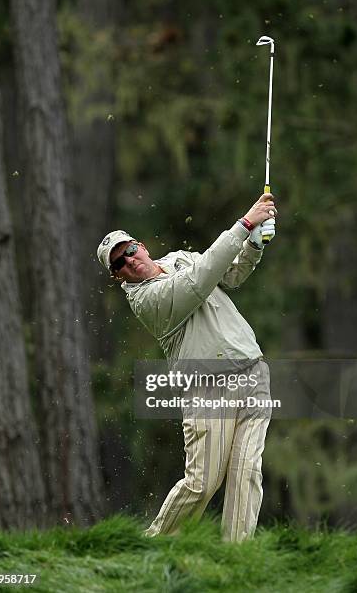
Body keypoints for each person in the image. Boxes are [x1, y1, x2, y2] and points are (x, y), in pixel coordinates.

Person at [97, 193, 277, 542]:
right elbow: (200, 279)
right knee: (202, 482)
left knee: (246, 472)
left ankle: (236, 558)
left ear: (142, 247)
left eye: (129, 251)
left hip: (253, 373)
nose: (129, 262)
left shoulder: (180, 258)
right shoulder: (145, 300)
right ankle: (153, 545)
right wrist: (245, 224)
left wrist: (255, 243)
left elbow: (232, 274)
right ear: (118, 277)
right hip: (209, 388)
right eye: (118, 264)